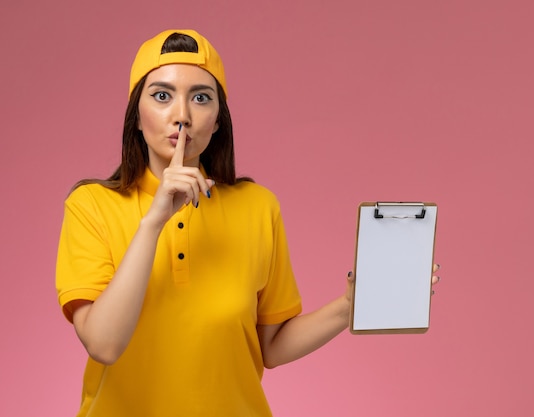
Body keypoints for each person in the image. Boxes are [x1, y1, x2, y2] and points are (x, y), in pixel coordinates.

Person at [55, 29, 440, 416]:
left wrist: (349, 306)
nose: (182, 116)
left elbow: (270, 347)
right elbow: (104, 344)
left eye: (201, 98)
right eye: (161, 96)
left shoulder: (257, 207)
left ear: (218, 120)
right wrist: (154, 221)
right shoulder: (91, 206)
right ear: (136, 117)